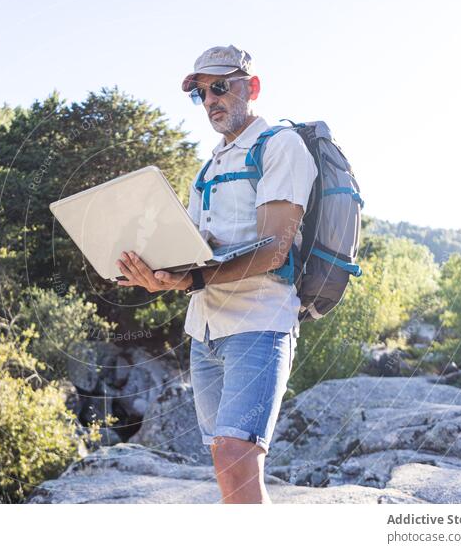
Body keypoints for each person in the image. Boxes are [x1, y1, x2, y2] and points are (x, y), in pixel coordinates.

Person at [115, 44, 317, 504]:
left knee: (235, 456)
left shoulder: (280, 146)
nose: (210, 100)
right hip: (204, 332)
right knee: (228, 467)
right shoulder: (207, 169)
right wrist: (158, 273)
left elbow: (273, 250)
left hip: (260, 325)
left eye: (220, 86)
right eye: (201, 93)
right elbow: (195, 256)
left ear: (253, 87)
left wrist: (191, 280)